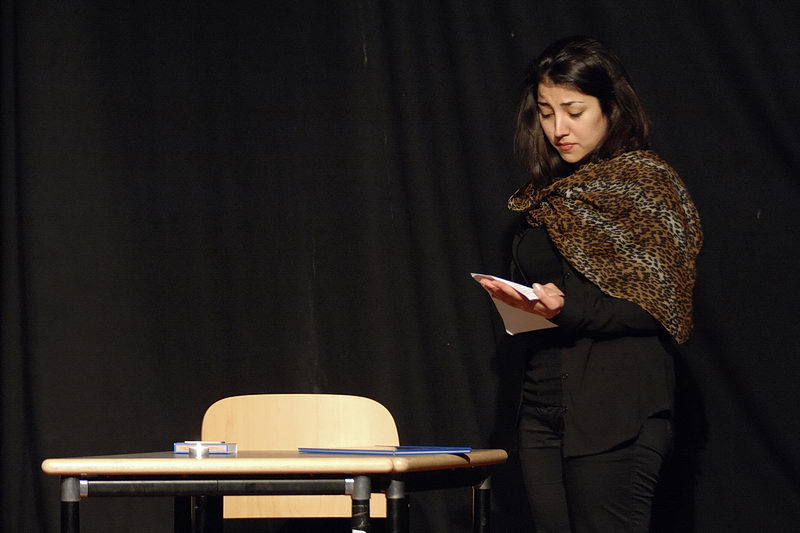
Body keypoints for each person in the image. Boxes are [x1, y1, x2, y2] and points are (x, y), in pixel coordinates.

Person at [479, 36, 702, 532]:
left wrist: (566, 309)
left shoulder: (647, 185)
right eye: (546, 113)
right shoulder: (545, 197)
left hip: (615, 411)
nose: (558, 128)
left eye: (574, 111)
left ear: (611, 107)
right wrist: (524, 304)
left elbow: (660, 304)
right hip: (542, 409)